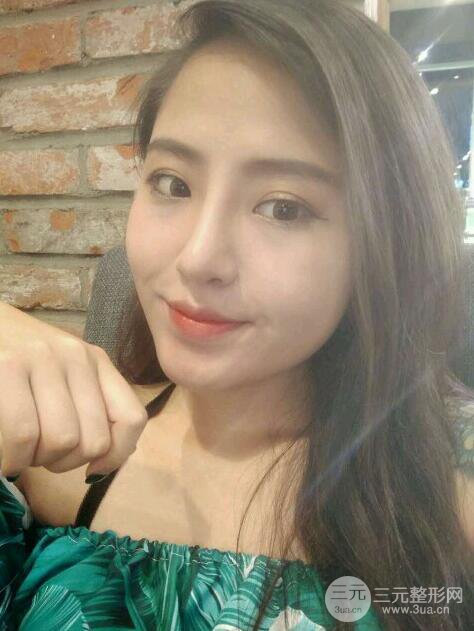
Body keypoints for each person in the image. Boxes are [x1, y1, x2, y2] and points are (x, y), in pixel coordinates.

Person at [0, 0, 473, 629]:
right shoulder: (57, 457)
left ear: (384, 241)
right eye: (173, 183)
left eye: (283, 208)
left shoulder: (449, 501)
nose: (199, 259)